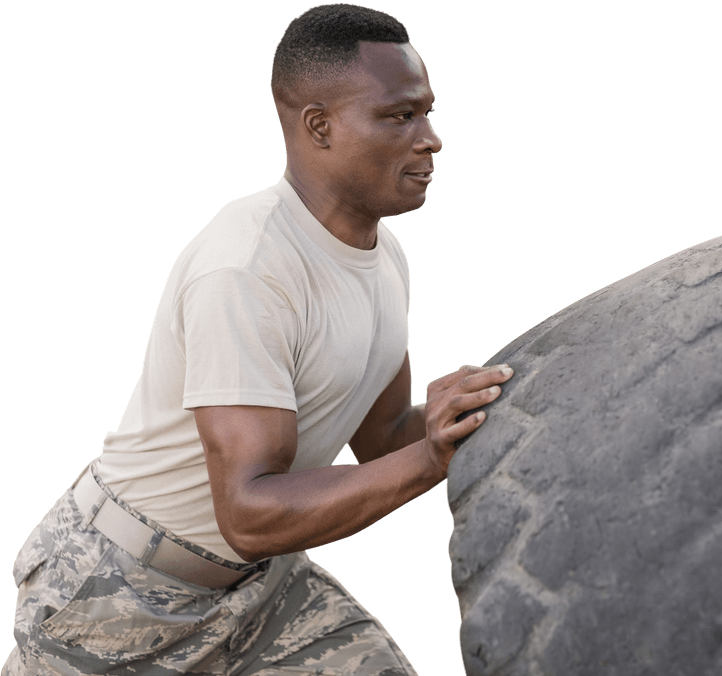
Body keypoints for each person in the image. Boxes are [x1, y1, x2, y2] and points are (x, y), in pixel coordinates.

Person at [3, 4, 511, 674]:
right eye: (399, 115)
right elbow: (248, 511)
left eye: (428, 112)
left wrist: (473, 413)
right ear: (319, 127)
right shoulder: (244, 268)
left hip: (258, 587)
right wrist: (430, 459)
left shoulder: (384, 257)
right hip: (113, 593)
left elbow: (383, 434)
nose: (430, 139)